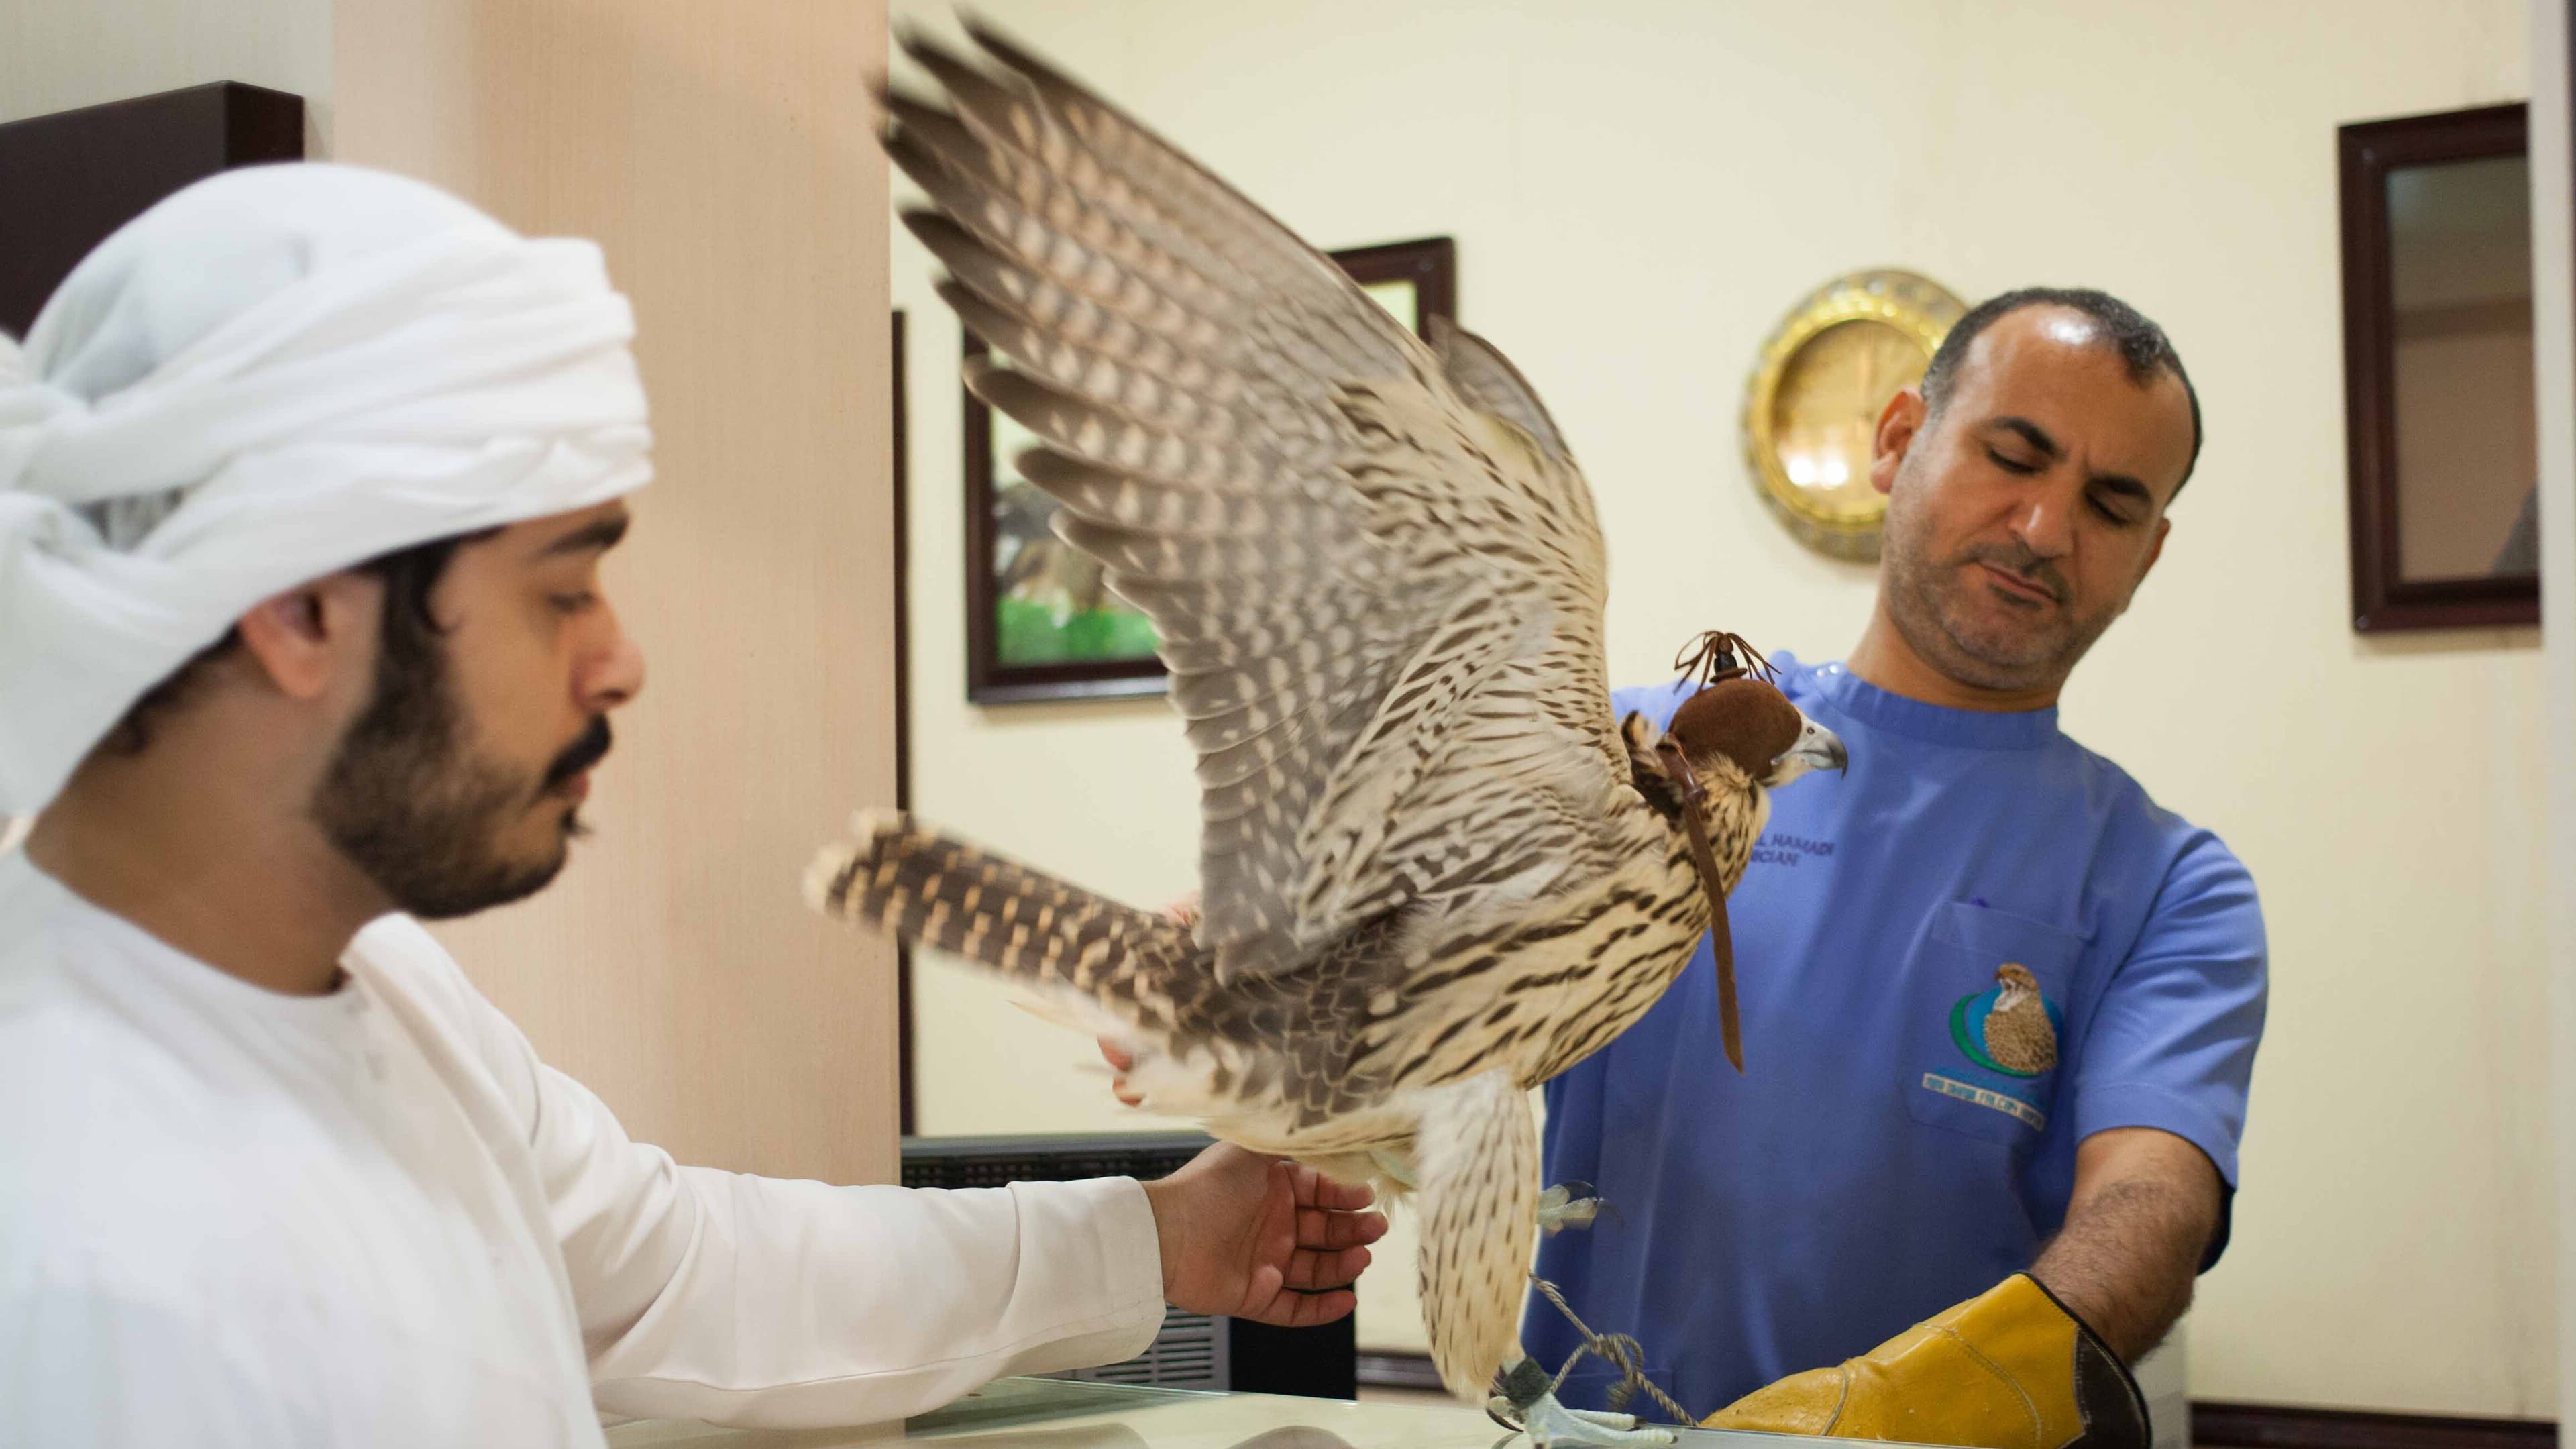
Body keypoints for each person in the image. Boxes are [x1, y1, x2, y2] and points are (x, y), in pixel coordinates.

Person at [0, 163, 1383, 1447]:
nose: (621, 659)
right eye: (560, 591)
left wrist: (1162, 1241)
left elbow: (687, 1272)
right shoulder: (79, 1253)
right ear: (297, 612)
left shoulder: (382, 989)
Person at [1525, 289, 2266, 1444]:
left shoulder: (2169, 885)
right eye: (2011, 456)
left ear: (2149, 553)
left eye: (2112, 505)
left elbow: (2149, 1201)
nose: (2042, 529)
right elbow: (1386, 947)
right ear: (1897, 440)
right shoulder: (1637, 758)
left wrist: (1903, 1417)